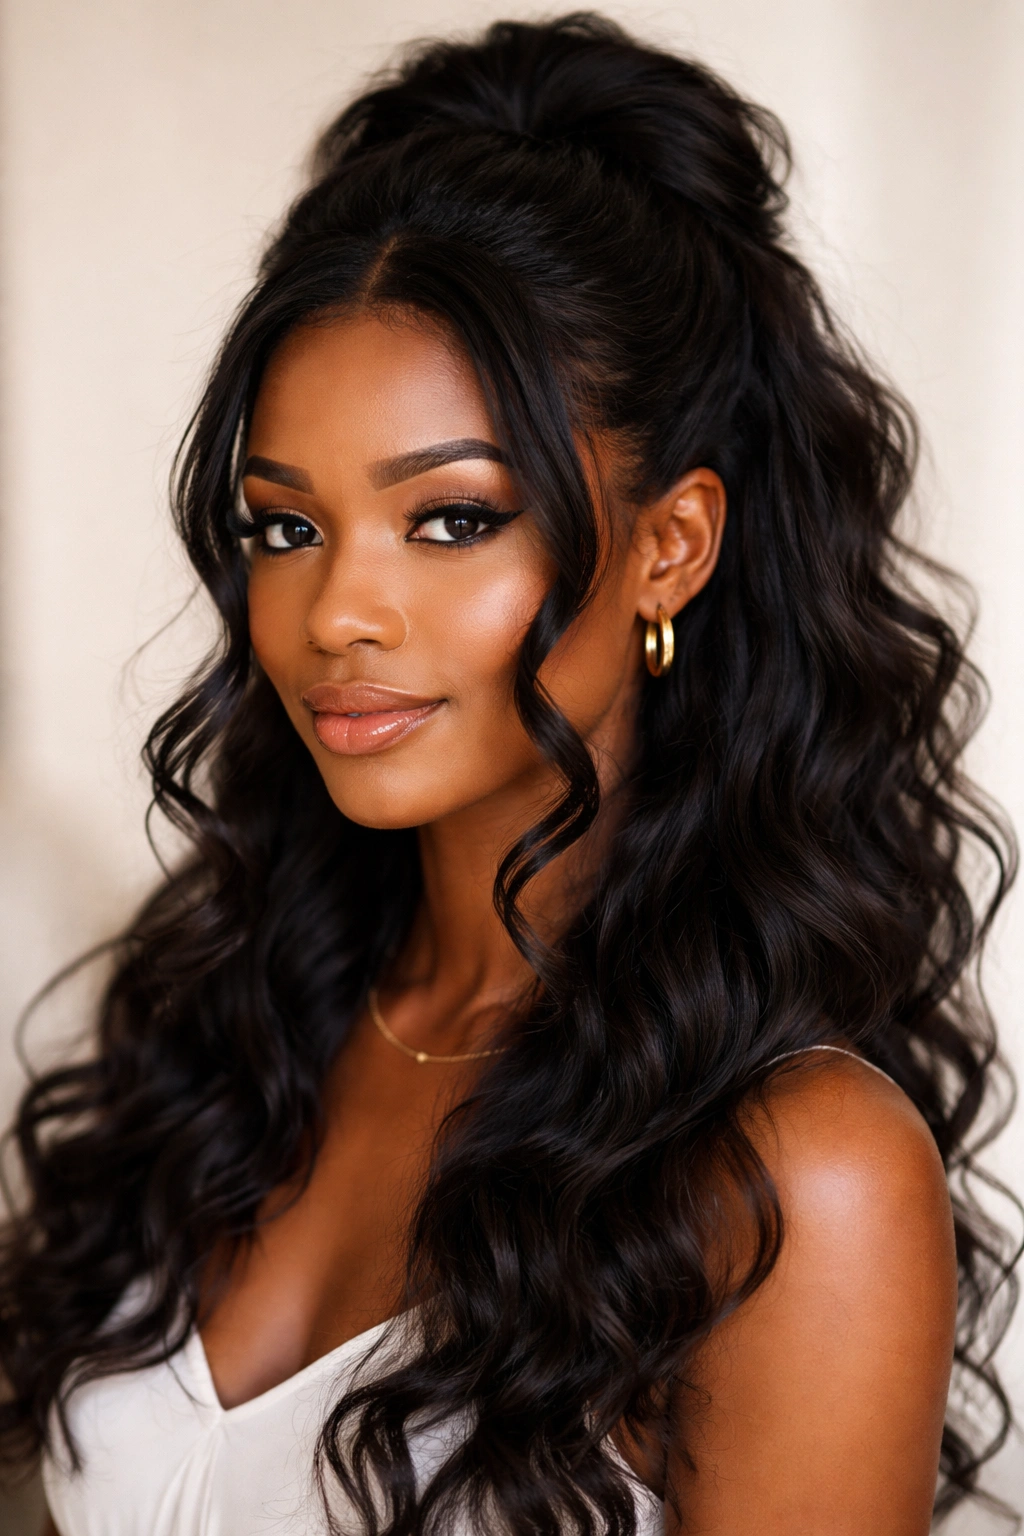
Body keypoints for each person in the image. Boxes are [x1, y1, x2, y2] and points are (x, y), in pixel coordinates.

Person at [0, 15, 1016, 1535]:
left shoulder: (794, 1178)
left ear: (671, 546)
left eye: (452, 519)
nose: (336, 611)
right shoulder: (230, 1029)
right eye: (286, 526)